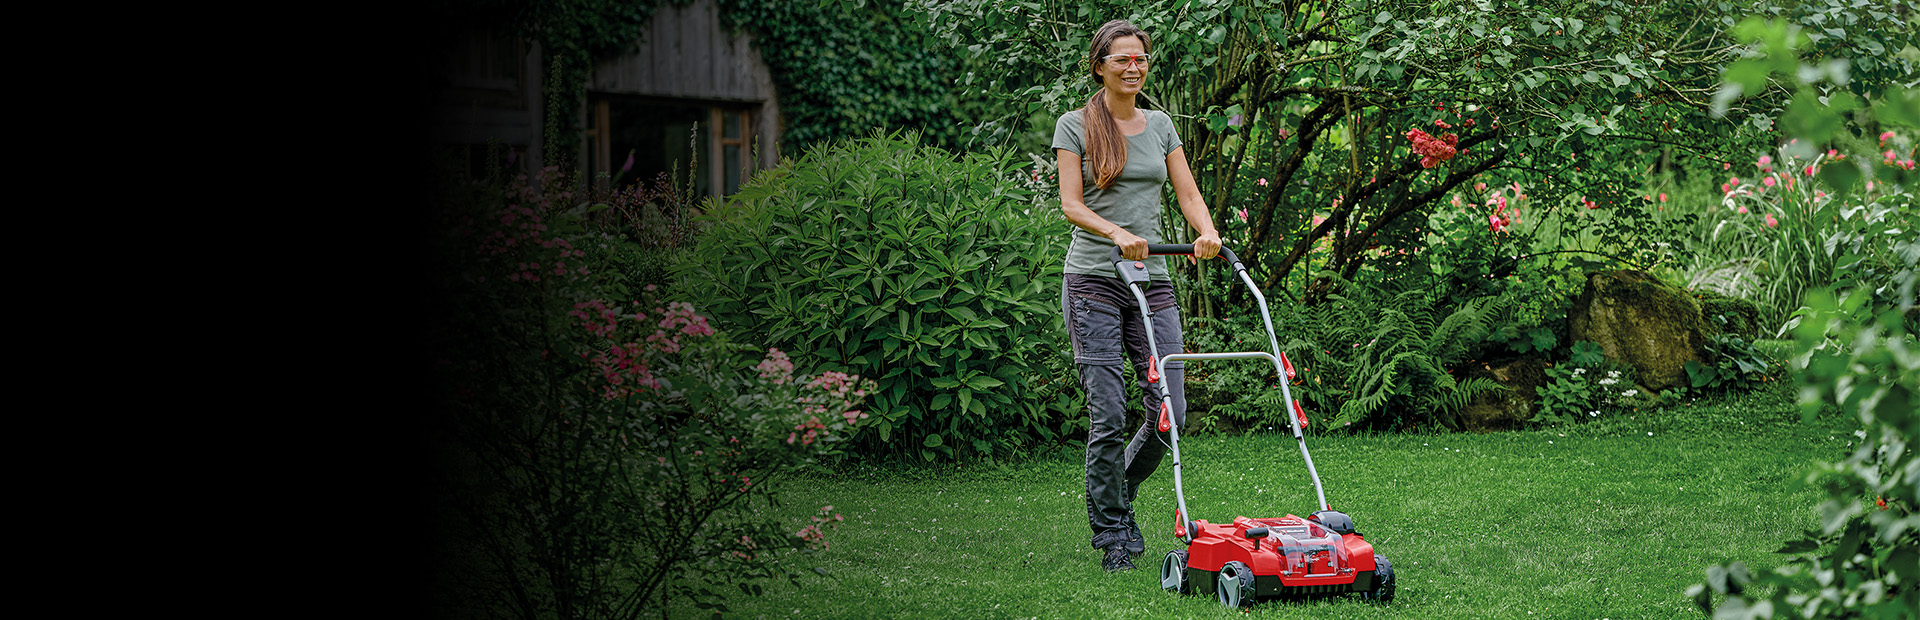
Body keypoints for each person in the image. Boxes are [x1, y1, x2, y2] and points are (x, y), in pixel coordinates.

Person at [1053, 19, 1221, 573]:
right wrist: (1118, 233)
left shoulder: (1161, 124)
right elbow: (1072, 205)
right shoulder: (1074, 125)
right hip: (1093, 283)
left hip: (1152, 282)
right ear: (1100, 66)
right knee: (1108, 415)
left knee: (1170, 409)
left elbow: (1188, 191)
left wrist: (1206, 231)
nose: (1133, 67)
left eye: (1141, 59)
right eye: (1122, 59)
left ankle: (1115, 493)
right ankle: (1113, 535)